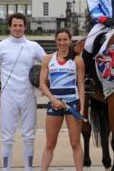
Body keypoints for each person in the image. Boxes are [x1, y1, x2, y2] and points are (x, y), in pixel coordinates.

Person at [0, 13, 46, 171]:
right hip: (8, 97)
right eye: (15, 25)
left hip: (28, 96)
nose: (18, 28)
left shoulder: (33, 46)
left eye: (20, 25)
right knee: (7, 137)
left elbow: (48, 63)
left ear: (25, 26)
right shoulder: (0, 47)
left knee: (29, 137)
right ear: (9, 26)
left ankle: (28, 169)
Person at [39, 28, 85, 171]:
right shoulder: (48, 59)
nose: (62, 42)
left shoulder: (77, 60)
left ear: (70, 41)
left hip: (72, 104)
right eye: (59, 40)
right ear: (56, 41)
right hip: (54, 105)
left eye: (65, 40)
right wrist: (53, 99)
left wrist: (82, 107)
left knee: (75, 143)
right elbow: (42, 83)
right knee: (50, 144)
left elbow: (81, 84)